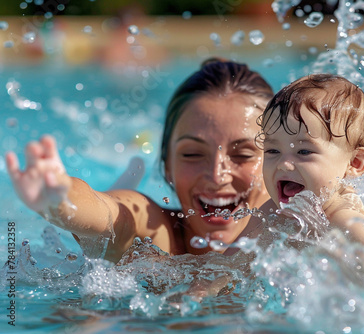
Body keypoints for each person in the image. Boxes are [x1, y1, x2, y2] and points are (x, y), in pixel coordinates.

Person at [5, 58, 273, 263]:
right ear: (167, 166)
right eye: (192, 154)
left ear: (278, 161)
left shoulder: (301, 243)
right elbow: (113, 214)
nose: (217, 175)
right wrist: (61, 201)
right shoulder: (161, 237)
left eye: (243, 154)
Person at [236, 73, 364, 287]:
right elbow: (227, 264)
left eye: (303, 151)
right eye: (273, 150)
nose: (283, 164)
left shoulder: (344, 218)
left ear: (354, 162)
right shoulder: (268, 212)